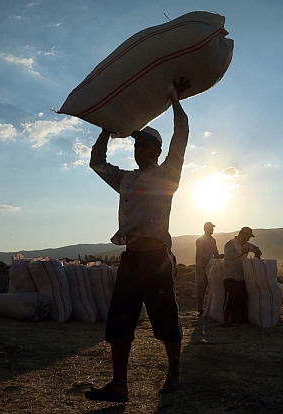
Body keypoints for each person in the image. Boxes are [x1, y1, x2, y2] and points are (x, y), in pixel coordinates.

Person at [85, 77, 191, 403]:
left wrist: (175, 100)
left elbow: (182, 135)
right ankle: (119, 385)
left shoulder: (168, 175)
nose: (139, 150)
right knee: (120, 321)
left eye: (145, 145)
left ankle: (174, 372)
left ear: (158, 151)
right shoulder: (126, 180)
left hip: (157, 258)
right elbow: (96, 163)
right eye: (135, 145)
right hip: (130, 259)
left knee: (165, 320)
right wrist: (106, 129)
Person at [222, 227, 262, 327]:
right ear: (242, 234)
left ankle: (238, 318)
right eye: (248, 236)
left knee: (242, 297)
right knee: (230, 297)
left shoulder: (247, 245)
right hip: (230, 276)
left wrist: (258, 252)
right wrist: (241, 253)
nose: (249, 239)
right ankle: (225, 321)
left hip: (241, 276)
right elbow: (228, 256)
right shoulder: (230, 244)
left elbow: (256, 248)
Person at [194, 222, 224, 316]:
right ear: (205, 229)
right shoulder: (200, 240)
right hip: (201, 266)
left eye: (212, 228)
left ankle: (208, 308)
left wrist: (219, 256)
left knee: (212, 287)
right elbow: (201, 253)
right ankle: (200, 309)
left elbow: (215, 251)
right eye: (211, 228)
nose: (212, 230)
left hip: (210, 266)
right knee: (201, 287)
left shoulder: (213, 240)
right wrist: (213, 258)